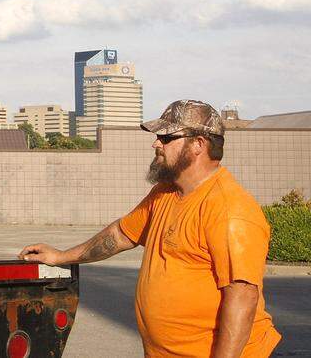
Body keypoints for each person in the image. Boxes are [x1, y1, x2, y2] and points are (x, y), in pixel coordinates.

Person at [19, 100, 282, 358]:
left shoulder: (229, 209)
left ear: (199, 144)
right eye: (158, 137)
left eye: (166, 138)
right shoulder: (165, 193)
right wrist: (60, 256)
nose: (156, 143)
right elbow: (120, 235)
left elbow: (242, 297)